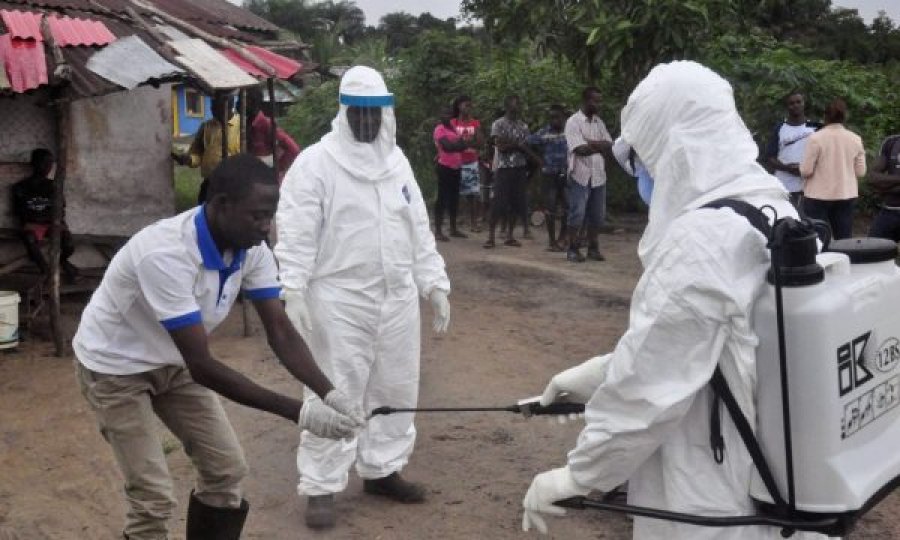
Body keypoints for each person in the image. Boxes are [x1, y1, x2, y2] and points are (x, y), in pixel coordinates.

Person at [520, 61, 826, 540]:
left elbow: (651, 385)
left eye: (643, 158)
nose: (642, 175)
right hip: (774, 480)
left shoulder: (702, 238)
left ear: (672, 146)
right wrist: (597, 375)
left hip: (713, 493)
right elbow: (709, 341)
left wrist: (579, 475)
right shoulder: (772, 206)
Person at [72, 154, 364, 540]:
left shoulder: (252, 249)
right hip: (114, 369)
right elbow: (203, 366)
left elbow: (279, 328)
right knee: (153, 498)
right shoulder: (166, 253)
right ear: (221, 204)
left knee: (226, 473)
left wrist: (331, 394)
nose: (266, 227)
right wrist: (301, 412)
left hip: (173, 363)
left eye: (270, 215)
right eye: (257, 215)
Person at [275, 66, 451, 530]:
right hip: (338, 298)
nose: (369, 123)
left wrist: (433, 282)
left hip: (396, 298)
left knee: (396, 386)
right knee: (335, 386)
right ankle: (320, 484)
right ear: (345, 113)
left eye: (377, 114)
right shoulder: (316, 163)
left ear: (386, 114)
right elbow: (295, 230)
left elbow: (418, 228)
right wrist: (291, 286)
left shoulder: (397, 163)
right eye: (361, 114)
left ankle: (383, 468)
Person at [800, 99, 866, 239]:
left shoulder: (815, 138)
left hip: (817, 196)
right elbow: (861, 172)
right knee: (844, 239)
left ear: (826, 116)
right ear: (844, 116)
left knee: (819, 240)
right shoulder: (855, 139)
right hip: (845, 194)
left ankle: (823, 261)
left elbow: (806, 171)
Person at [10, 148, 78, 280]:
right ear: (34, 163)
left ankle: (62, 261)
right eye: (44, 163)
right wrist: (40, 219)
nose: (48, 167)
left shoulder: (54, 186)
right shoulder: (20, 187)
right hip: (32, 225)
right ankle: (46, 271)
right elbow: (19, 213)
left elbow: (61, 211)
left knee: (69, 245)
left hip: (51, 224)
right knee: (29, 238)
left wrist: (49, 220)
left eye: (50, 163)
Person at [564, 87, 613, 263]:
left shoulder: (599, 122)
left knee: (597, 215)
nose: (598, 104)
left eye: (599, 100)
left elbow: (609, 144)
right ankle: (572, 248)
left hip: (599, 175)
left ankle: (593, 248)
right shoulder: (573, 122)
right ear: (585, 100)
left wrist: (590, 142)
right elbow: (580, 149)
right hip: (580, 174)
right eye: (595, 100)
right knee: (577, 213)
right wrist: (597, 145)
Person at [485, 95, 539, 248]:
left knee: (516, 202)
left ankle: (509, 235)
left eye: (519, 103)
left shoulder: (523, 126)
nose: (518, 106)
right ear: (507, 105)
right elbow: (501, 147)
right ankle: (491, 237)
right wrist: (519, 146)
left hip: (519, 168)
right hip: (503, 167)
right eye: (515, 103)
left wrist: (516, 146)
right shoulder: (498, 124)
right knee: (498, 203)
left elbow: (526, 147)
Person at [175, 93, 241, 205]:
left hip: (233, 183)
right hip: (210, 182)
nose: (213, 111)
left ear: (230, 107)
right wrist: (189, 159)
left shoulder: (242, 125)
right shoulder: (206, 126)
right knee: (203, 211)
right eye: (212, 107)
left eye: (217, 108)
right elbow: (198, 153)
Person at [765, 91, 821, 208]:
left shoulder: (814, 127)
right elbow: (770, 157)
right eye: (791, 103)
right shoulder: (780, 128)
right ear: (787, 107)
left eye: (798, 102)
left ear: (804, 104)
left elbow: (823, 156)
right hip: (783, 186)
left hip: (809, 187)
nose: (795, 105)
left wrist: (806, 169)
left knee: (808, 223)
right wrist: (787, 168)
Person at [528, 105, 569, 251]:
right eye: (552, 117)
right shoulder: (544, 133)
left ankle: (563, 237)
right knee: (550, 208)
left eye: (557, 117)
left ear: (564, 117)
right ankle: (552, 241)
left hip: (567, 174)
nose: (555, 120)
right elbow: (527, 143)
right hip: (549, 175)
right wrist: (538, 160)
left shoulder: (570, 131)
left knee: (567, 207)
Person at [245, 87, 301, 182]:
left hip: (266, 181)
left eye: (242, 100)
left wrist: (277, 168)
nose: (238, 103)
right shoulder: (246, 123)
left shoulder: (266, 124)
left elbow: (293, 149)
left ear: (252, 102)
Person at [433, 104, 471, 241]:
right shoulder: (439, 129)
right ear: (440, 115)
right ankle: (438, 230)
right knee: (442, 198)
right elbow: (448, 148)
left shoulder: (453, 128)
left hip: (456, 166)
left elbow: (462, 146)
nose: (447, 116)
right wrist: (458, 145)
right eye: (444, 113)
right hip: (444, 166)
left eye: (449, 114)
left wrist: (456, 145)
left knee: (454, 198)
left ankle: (453, 228)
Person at [451, 95, 485, 232]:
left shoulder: (475, 123)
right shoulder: (453, 122)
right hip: (455, 161)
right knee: (454, 193)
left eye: (470, 105)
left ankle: (473, 223)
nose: (468, 108)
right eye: (466, 105)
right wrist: (469, 142)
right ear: (459, 106)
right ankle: (455, 222)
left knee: (473, 194)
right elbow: (451, 142)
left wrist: (462, 143)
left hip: (471, 161)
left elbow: (480, 142)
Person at [866, 134, 900, 241]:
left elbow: (879, 182)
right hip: (889, 211)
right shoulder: (891, 142)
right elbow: (873, 177)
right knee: (871, 250)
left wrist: (885, 188)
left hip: (889, 200)